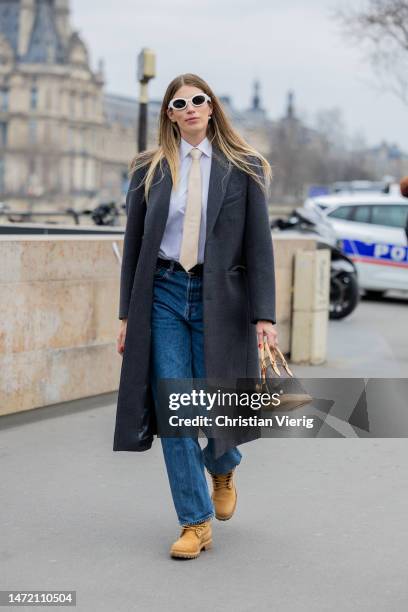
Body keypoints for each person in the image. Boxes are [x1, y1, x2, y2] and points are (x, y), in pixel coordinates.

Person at [114, 73, 278, 560]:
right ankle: (195, 522)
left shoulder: (243, 167)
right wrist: (126, 315)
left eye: (197, 100)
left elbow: (259, 245)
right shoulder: (149, 169)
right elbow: (134, 244)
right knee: (175, 407)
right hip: (164, 292)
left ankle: (223, 460)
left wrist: (263, 316)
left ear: (211, 108)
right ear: (169, 113)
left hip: (220, 296)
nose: (189, 108)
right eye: (178, 102)